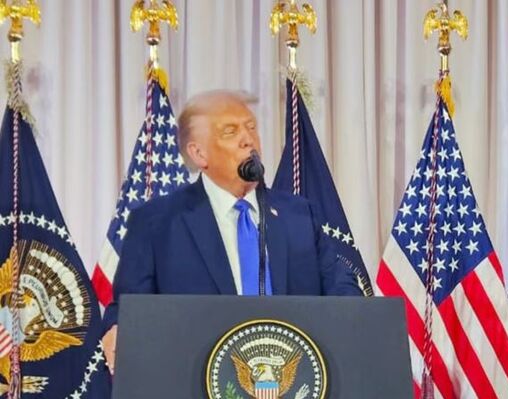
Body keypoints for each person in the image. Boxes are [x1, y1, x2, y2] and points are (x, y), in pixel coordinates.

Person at [101, 89, 361, 372]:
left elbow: (342, 289)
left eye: (251, 127)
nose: (248, 139)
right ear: (199, 153)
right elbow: (128, 309)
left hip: (292, 379)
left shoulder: (298, 215)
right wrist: (117, 329)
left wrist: (356, 320)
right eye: (230, 131)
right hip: (194, 382)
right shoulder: (157, 223)